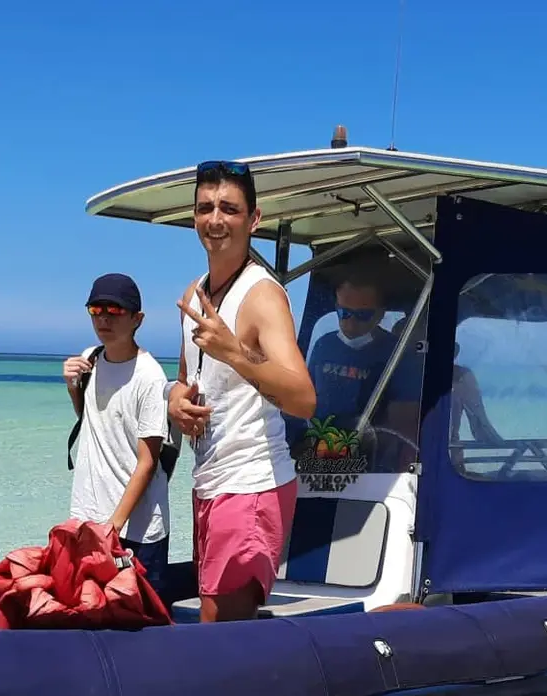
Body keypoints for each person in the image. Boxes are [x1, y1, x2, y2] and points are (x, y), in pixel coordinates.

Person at [168, 159, 317, 622]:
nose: (215, 220)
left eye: (229, 209)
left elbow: (302, 398)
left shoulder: (262, 296)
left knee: (221, 633)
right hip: (209, 484)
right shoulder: (195, 295)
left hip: (252, 485)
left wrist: (235, 351)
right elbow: (186, 378)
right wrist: (176, 402)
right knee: (224, 630)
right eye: (205, 208)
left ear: (254, 220)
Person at [62, 272, 172, 597]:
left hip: (134, 528)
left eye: (115, 311)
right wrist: (73, 387)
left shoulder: (149, 377)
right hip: (88, 517)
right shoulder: (90, 358)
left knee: (139, 626)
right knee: (86, 613)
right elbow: (90, 418)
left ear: (137, 319)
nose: (104, 319)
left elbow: (147, 462)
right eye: (96, 311)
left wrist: (114, 525)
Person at [288, 271, 423, 468]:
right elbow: (303, 403)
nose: (350, 324)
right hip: (318, 458)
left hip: (372, 466)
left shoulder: (399, 355)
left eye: (363, 315)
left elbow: (402, 426)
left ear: (380, 314)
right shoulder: (324, 345)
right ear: (336, 307)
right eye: (344, 313)